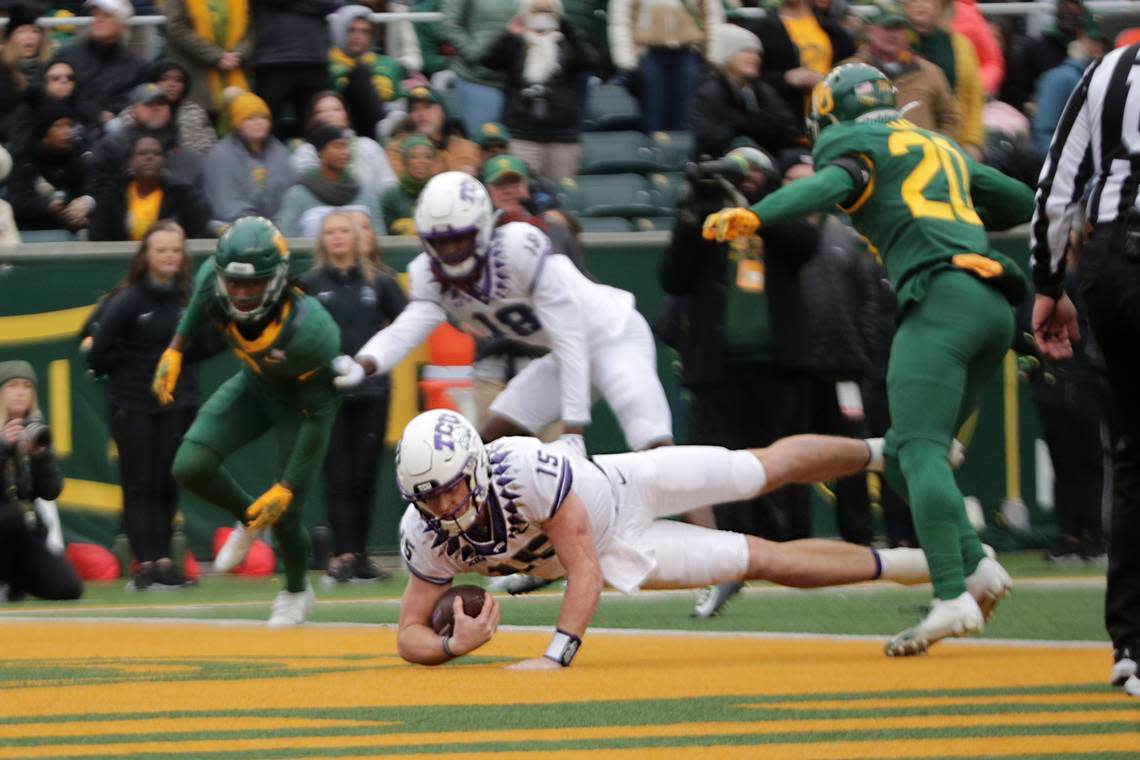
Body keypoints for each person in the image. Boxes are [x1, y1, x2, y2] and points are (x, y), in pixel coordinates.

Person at [704, 63, 1032, 656]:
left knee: (917, 450)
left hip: (939, 297)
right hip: (992, 304)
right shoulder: (934, 143)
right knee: (909, 455)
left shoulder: (857, 147)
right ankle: (977, 568)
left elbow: (832, 184)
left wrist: (759, 214)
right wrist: (954, 198)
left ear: (831, 115)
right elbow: (1016, 200)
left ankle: (953, 596)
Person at [392, 409, 989, 667]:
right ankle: (922, 565)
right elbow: (408, 634)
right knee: (764, 561)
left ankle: (889, 451)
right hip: (627, 555)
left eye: (449, 487)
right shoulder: (426, 534)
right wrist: (453, 647)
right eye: (429, 495)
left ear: (473, 465)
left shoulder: (519, 466)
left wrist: (556, 656)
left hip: (628, 486)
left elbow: (582, 567)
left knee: (760, 470)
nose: (444, 503)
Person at [153, 216, 346, 626]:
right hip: (256, 386)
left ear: (276, 279)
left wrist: (288, 485)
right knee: (190, 464)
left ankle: (296, 589)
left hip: (304, 405)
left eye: (253, 284)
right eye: (234, 283)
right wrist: (175, 349)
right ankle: (250, 519)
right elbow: (203, 290)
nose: (240, 293)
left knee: (288, 508)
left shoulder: (310, 332)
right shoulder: (216, 278)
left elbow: (320, 414)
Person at [1028, 41, 1140, 699]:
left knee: (1132, 457)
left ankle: (1131, 647)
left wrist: (1048, 284)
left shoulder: (1109, 72)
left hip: (1116, 270)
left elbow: (1055, 190)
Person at [85, 221, 212, 589]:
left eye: (175, 250)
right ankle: (146, 564)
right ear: (146, 256)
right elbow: (98, 352)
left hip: (178, 403)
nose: (169, 256)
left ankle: (164, 563)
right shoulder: (128, 300)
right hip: (134, 404)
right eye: (161, 250)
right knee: (139, 483)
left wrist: (178, 364)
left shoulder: (190, 298)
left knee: (167, 481)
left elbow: (210, 342)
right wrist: (135, 368)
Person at [301, 212, 406, 584]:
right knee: (336, 476)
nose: (338, 238)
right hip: (327, 394)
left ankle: (360, 555)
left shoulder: (379, 282)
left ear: (359, 237)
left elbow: (407, 325)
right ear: (322, 240)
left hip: (372, 391)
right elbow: (292, 331)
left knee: (364, 475)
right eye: (330, 232)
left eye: (344, 230)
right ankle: (341, 555)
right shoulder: (310, 284)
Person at [481, 0, 601, 182]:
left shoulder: (567, 43)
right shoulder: (516, 43)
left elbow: (591, 61)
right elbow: (488, 60)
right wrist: (508, 34)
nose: (542, 17)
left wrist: (566, 28)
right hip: (522, 134)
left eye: (548, 11)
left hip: (562, 137)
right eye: (536, 11)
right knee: (524, 193)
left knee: (562, 197)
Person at [0, 361, 83, 603]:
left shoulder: (36, 431)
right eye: (12, 386)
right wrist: (3, 448)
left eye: (27, 386)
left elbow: (50, 491)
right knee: (11, 516)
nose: (20, 392)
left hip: (24, 534)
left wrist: (40, 457)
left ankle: (13, 582)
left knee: (68, 588)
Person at [842, 0, 959, 142]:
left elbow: (950, 120)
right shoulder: (849, 72)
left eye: (899, 28)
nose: (893, 34)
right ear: (871, 31)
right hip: (868, 157)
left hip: (922, 158)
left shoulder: (931, 73)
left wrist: (937, 146)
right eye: (887, 27)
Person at [607, 0, 724, 133]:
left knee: (686, 115)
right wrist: (626, 61)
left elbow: (712, 16)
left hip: (688, 52)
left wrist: (713, 55)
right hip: (648, 54)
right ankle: (653, 149)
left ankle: (681, 151)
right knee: (652, 113)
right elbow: (621, 20)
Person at [688, 23, 801, 160]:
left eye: (757, 53)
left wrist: (745, 127)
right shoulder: (709, 92)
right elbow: (708, 138)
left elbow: (788, 129)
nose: (755, 58)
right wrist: (752, 127)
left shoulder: (763, 90)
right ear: (727, 56)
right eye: (746, 51)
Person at [89, 82, 204, 201]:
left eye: (162, 103)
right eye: (148, 104)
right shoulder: (114, 144)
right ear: (132, 111)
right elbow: (97, 186)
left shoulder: (180, 147)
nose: (156, 107)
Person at [744, 0, 855, 121]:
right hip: (787, 120)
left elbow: (850, 69)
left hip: (831, 118)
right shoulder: (763, 28)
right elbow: (752, 80)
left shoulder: (831, 28)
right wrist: (786, 78)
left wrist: (828, 80)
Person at [89, 135, 212, 241]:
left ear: (165, 162)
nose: (150, 157)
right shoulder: (112, 194)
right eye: (142, 153)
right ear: (130, 162)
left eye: (157, 153)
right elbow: (98, 236)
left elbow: (199, 235)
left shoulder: (182, 195)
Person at [905, 0, 984, 160]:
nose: (922, 4)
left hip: (953, 142)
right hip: (907, 143)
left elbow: (974, 98)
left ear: (941, 6)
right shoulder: (893, 42)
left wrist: (972, 142)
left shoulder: (961, 45)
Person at [250, 0, 340, 140]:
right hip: (273, 62)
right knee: (264, 132)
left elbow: (334, 3)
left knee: (319, 133)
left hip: (314, 61)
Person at [275, 124, 385, 237]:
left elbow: (379, 236)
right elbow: (288, 238)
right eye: (337, 147)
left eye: (345, 147)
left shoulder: (365, 194)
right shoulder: (298, 195)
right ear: (320, 153)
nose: (344, 152)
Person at [204, 90, 294, 227]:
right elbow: (226, 203)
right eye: (250, 118)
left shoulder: (281, 152)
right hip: (236, 227)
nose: (259, 123)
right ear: (237, 124)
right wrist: (259, 225)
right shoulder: (220, 156)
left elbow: (290, 197)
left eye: (263, 117)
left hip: (280, 227)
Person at [291, 91, 398, 201]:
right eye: (320, 111)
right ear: (312, 119)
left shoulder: (368, 146)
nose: (329, 114)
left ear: (346, 115)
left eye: (336, 109)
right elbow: (305, 190)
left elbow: (389, 185)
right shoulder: (305, 152)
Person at [53, 0, 146, 124]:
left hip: (115, 133)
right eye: (95, 14)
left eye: (106, 16)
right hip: (70, 129)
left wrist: (112, 113)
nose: (98, 20)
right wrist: (95, 113)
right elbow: (54, 92)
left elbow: (134, 101)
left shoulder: (136, 67)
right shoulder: (66, 56)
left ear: (121, 25)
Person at [9, 101, 93, 233]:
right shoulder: (25, 159)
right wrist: (48, 205)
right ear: (44, 134)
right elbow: (17, 202)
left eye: (69, 125)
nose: (66, 132)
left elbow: (87, 189)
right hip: (32, 232)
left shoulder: (76, 156)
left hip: (69, 230)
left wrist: (84, 204)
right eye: (58, 126)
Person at [162, 0, 254, 118]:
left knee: (239, 115)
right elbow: (176, 26)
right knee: (203, 121)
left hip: (236, 68)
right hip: (197, 70)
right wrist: (215, 56)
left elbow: (250, 26)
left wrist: (238, 54)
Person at [106, 61, 217, 158]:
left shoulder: (194, 113)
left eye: (178, 80)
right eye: (164, 79)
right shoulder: (136, 109)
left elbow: (206, 149)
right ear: (153, 82)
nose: (171, 85)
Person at [328, 4, 407, 137]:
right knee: (360, 72)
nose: (358, 36)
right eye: (351, 30)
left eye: (365, 31)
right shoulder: (327, 64)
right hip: (346, 126)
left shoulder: (389, 64)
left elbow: (401, 101)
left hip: (381, 122)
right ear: (339, 30)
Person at [439, 0, 515, 136]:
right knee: (482, 144)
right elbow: (450, 24)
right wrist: (473, 53)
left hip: (517, 84)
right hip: (478, 81)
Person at [1030, 30, 1104, 161]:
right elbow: (1045, 132)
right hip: (1070, 169)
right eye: (1095, 42)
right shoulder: (1063, 78)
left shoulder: (1099, 76)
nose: (1098, 48)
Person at [385, 85, 480, 177]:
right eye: (414, 109)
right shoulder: (398, 149)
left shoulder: (467, 147)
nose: (420, 114)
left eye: (427, 107)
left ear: (443, 112)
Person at [0, 4, 52, 143]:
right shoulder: (3, 70)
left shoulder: (51, 70)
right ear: (10, 37)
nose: (30, 37)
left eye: (35, 31)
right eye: (22, 31)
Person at [379, 134, 439, 235]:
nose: (421, 162)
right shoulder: (390, 196)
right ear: (405, 161)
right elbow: (383, 234)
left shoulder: (439, 193)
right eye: (414, 157)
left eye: (427, 157)